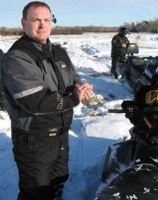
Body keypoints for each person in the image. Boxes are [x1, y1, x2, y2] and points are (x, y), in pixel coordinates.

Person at [1, 1, 94, 200]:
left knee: (58, 181)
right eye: (36, 20)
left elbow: (73, 77)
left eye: (47, 20)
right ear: (24, 23)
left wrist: (81, 86)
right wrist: (75, 98)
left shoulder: (59, 52)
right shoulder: (18, 57)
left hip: (60, 134)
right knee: (36, 192)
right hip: (35, 141)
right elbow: (36, 101)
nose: (42, 25)